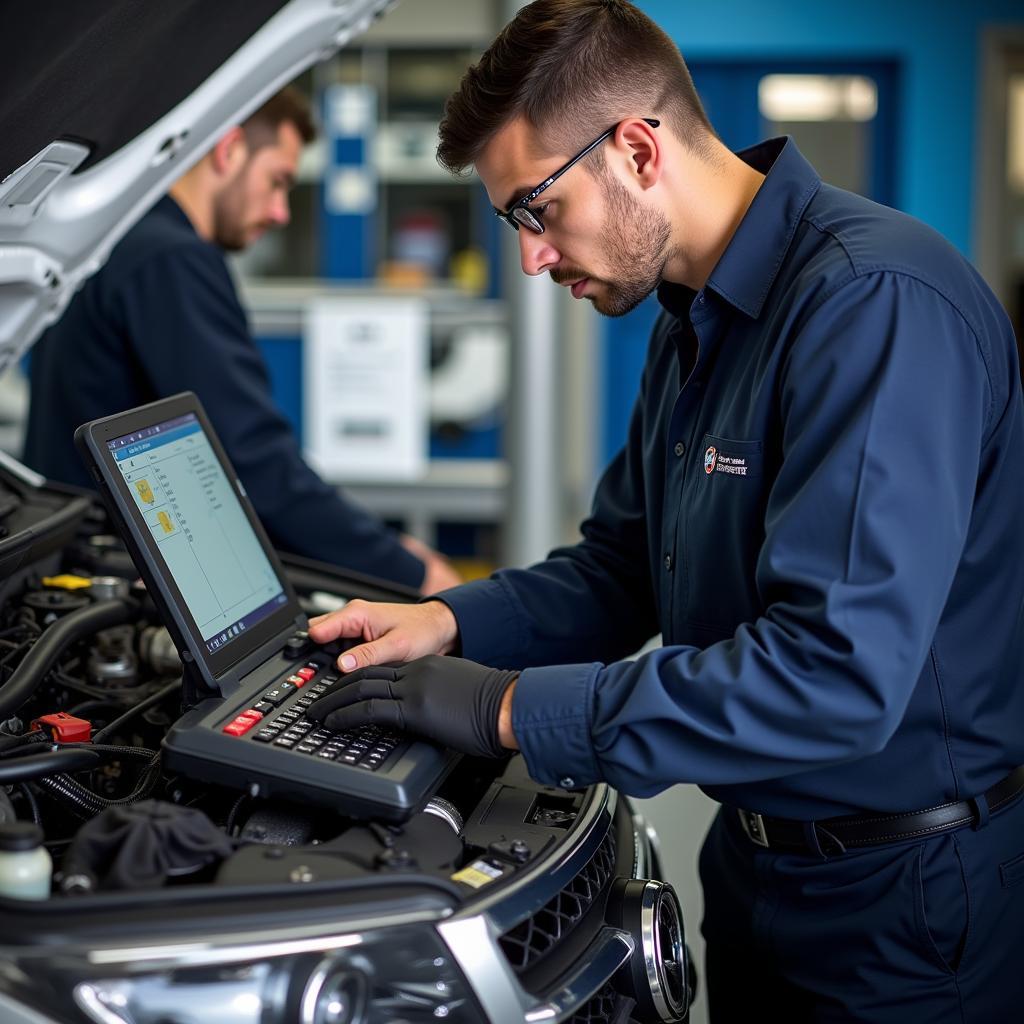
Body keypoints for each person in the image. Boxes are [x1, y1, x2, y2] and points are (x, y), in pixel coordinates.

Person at [305, 2, 1024, 1019]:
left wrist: (509, 710)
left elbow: (834, 677)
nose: (531, 258)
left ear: (637, 150)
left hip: (904, 909)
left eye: (534, 212)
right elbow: (623, 568)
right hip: (756, 868)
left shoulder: (874, 306)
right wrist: (452, 622)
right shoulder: (693, 323)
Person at [23, 87, 459, 595]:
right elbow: (254, 463)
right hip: (121, 580)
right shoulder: (171, 259)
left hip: (77, 564)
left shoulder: (117, 242)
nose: (281, 212)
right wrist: (412, 573)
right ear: (227, 151)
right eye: (277, 181)